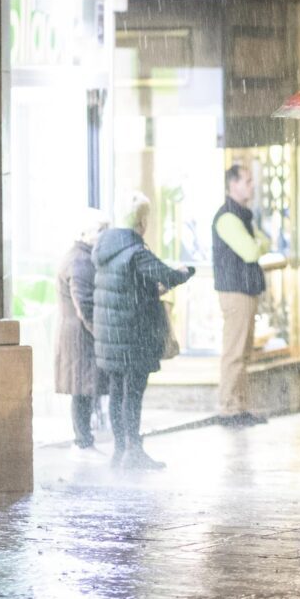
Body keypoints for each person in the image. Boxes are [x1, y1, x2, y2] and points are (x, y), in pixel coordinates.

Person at [92, 191, 195, 469]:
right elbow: (167, 275)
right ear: (141, 222)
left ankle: (120, 450)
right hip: (133, 336)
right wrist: (186, 271)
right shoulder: (136, 252)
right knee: (133, 393)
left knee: (116, 392)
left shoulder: (104, 248)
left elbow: (125, 286)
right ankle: (133, 451)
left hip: (111, 336)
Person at [211, 164, 271, 427]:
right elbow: (251, 251)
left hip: (245, 288)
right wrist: (257, 245)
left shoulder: (242, 215)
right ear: (232, 185)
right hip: (235, 291)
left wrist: (257, 244)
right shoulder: (227, 217)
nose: (252, 185)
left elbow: (265, 243)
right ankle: (227, 407)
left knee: (244, 352)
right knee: (235, 352)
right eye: (247, 181)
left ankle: (239, 405)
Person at [54, 209, 110, 451]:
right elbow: (85, 304)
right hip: (81, 337)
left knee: (84, 388)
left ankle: (84, 439)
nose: (105, 236)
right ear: (85, 234)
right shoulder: (81, 261)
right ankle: (83, 441)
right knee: (83, 389)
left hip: (78, 335)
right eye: (101, 231)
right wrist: (101, 333)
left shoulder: (81, 257)